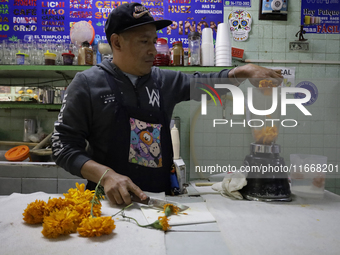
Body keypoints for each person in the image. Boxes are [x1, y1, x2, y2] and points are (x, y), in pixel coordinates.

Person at [52, 3, 282, 206]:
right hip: (106, 203)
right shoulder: (87, 83)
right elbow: (63, 146)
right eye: (144, 42)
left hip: (159, 200)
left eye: (154, 41)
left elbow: (209, 83)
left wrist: (242, 72)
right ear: (116, 42)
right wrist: (106, 175)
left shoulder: (164, 81)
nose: (153, 50)